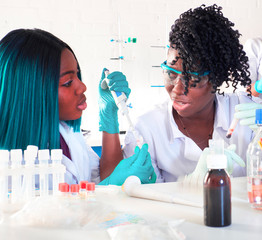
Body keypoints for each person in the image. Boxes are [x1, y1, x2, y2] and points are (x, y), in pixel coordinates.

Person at [122, 4, 262, 183]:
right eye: (171, 73)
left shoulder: (248, 115)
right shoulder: (146, 130)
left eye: (193, 79)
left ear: (216, 79)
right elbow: (145, 203)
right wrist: (193, 181)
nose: (178, 89)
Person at [0, 28, 156, 186]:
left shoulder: (68, 134)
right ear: (30, 91)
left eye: (77, 74)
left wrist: (109, 116)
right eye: (68, 82)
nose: (82, 87)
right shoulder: (8, 160)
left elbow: (104, 178)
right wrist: (111, 186)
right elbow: (42, 210)